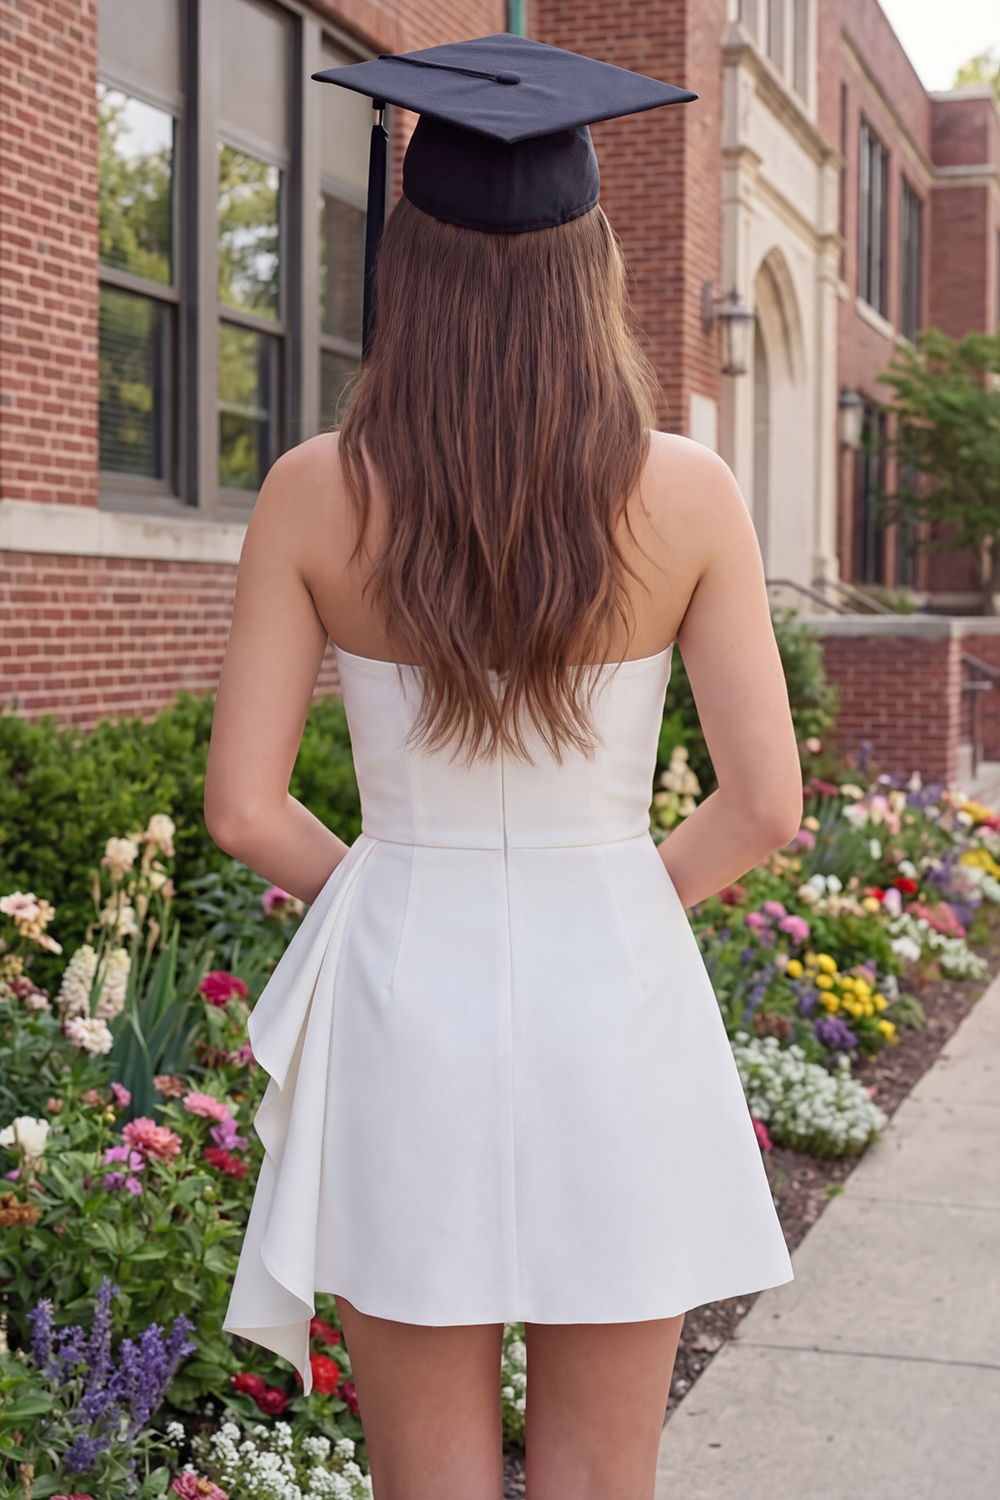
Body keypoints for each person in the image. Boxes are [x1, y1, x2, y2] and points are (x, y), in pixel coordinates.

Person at [205, 33, 800, 1500]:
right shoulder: (690, 492)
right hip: (620, 988)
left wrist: (398, 883)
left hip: (408, 992)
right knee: (606, 1480)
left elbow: (242, 808)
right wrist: (616, 892)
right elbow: (766, 806)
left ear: (410, 263)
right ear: (592, 258)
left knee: (430, 1483)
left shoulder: (311, 493)